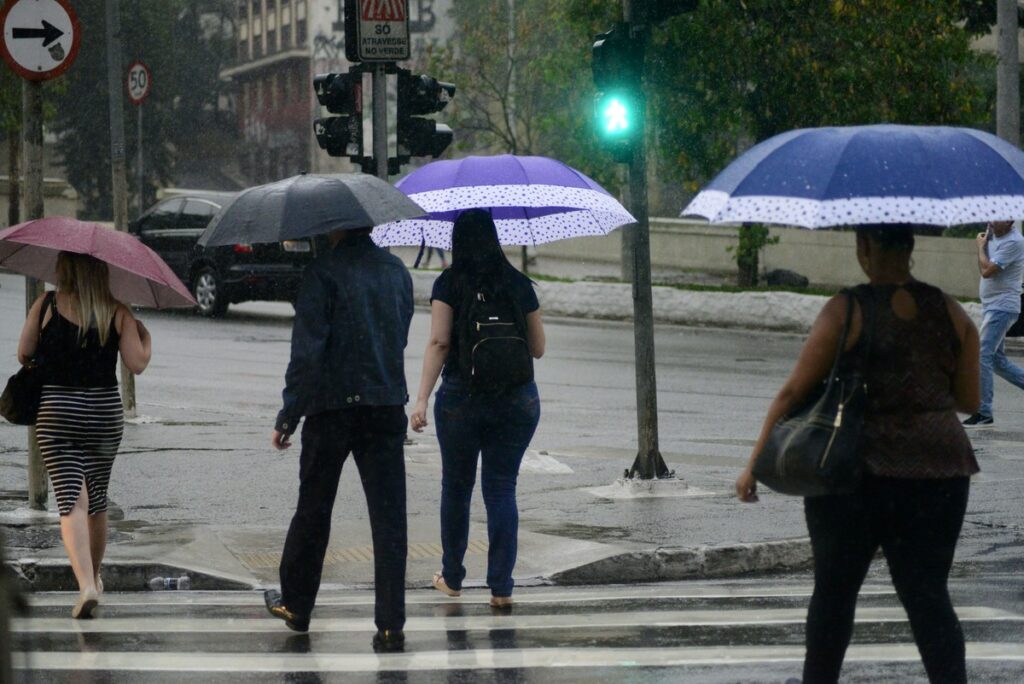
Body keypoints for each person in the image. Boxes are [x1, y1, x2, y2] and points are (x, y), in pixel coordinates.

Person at [735, 225, 980, 684]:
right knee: (928, 596)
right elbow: (968, 399)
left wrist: (753, 465)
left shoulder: (846, 310)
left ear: (864, 247)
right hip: (940, 471)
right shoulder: (951, 312)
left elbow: (792, 393)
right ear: (910, 247)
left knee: (835, 592)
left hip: (854, 476)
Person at [263, 226, 413, 653]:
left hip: (331, 409)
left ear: (335, 227)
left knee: (314, 509)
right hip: (385, 407)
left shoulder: (321, 273)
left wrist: (289, 415)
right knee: (389, 521)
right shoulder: (397, 271)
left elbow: (306, 353)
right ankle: (390, 624)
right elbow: (398, 337)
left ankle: (296, 604)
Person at [409, 209, 545, 609]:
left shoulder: (449, 282)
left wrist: (420, 399)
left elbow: (439, 343)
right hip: (518, 400)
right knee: (501, 488)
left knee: (457, 486)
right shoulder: (519, 284)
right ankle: (501, 587)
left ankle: (452, 577)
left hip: (462, 401)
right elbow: (537, 348)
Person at [16, 251, 152, 619]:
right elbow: (136, 363)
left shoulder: (45, 304)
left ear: (63, 269)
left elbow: (24, 353)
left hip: (59, 412)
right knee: (97, 502)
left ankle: (87, 584)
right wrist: (146, 337)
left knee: (71, 502)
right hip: (105, 414)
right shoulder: (117, 310)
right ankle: (96, 575)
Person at [962, 219, 1024, 426]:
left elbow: (987, 271)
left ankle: (984, 411)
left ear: (1008, 221)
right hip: (991, 305)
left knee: (981, 355)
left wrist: (980, 247)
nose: (990, 220)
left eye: (996, 217)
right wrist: (986, 241)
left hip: (1002, 307)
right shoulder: (992, 234)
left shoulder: (1014, 242)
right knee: (998, 362)